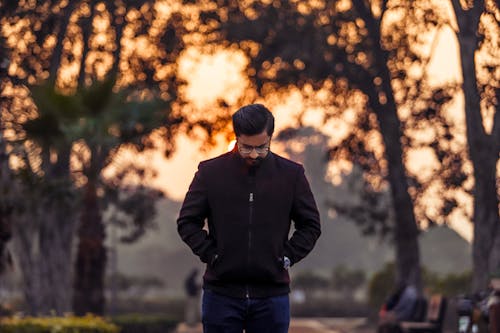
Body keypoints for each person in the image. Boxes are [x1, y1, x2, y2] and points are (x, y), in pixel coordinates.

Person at [177, 103, 321, 333]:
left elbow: (311, 225)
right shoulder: (210, 173)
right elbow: (187, 221)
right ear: (236, 137)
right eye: (246, 147)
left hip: (272, 296)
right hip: (221, 295)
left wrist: (288, 256)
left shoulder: (292, 175)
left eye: (261, 147)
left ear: (271, 138)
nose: (254, 154)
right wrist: (211, 254)